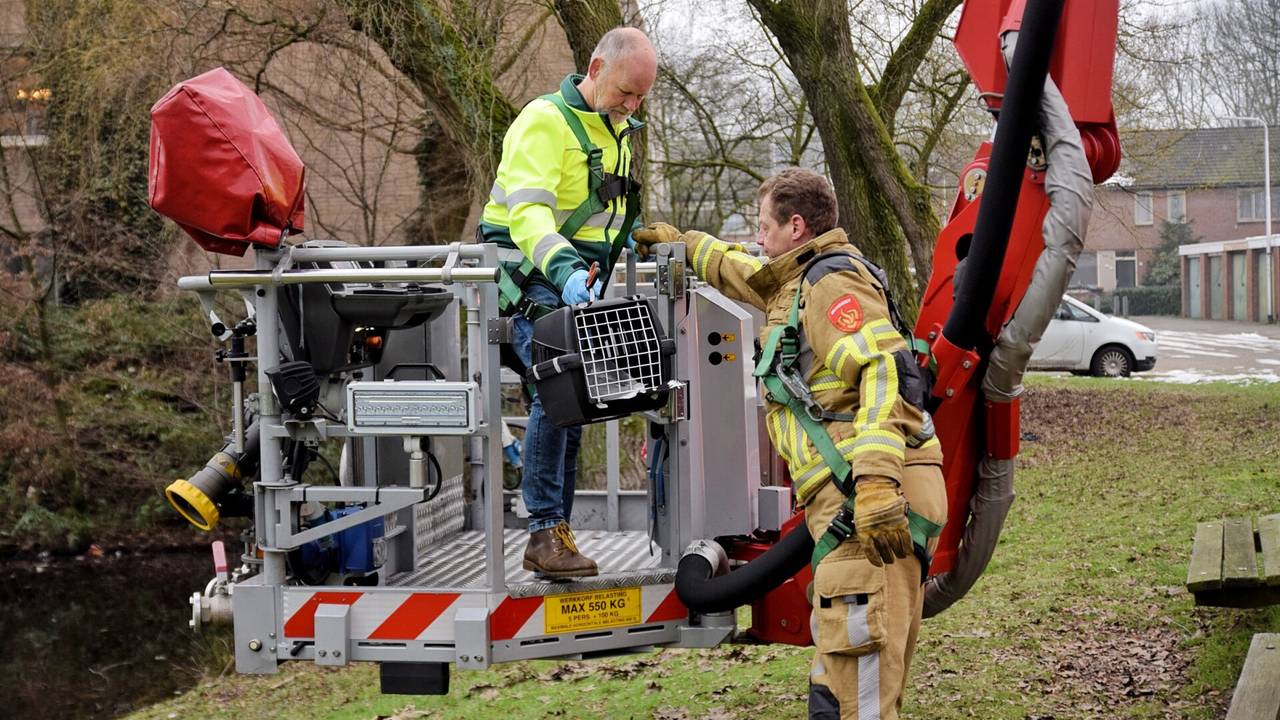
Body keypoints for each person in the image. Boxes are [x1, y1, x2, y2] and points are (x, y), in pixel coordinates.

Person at [633, 168, 947, 719]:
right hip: (854, 505)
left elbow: (885, 370)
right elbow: (745, 271)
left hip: (867, 503)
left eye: (764, 225)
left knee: (855, 705)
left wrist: (874, 483)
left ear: (796, 226)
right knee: (843, 689)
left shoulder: (831, 284)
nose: (757, 236)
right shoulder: (796, 281)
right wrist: (685, 245)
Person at [479, 27, 656, 578]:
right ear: (596, 69)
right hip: (529, 274)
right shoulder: (544, 121)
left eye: (641, 99)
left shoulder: (615, 128)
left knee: (576, 397)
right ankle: (543, 534)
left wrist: (625, 238)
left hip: (573, 276)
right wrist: (565, 269)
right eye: (626, 93)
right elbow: (530, 216)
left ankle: (556, 531)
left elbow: (594, 208)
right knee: (559, 389)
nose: (632, 106)